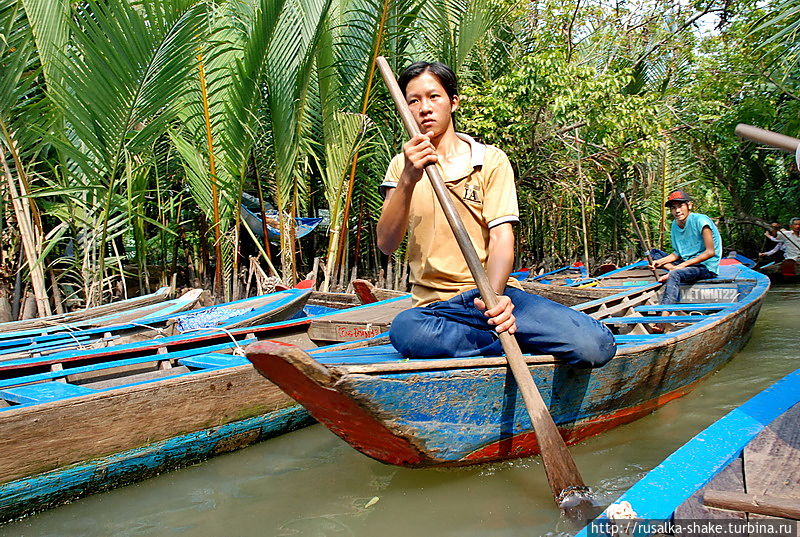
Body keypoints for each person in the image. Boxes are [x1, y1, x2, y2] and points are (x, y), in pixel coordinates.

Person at [377, 61, 615, 368]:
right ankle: (509, 340)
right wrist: (409, 177)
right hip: (439, 308)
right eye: (414, 100)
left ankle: (494, 334)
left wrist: (495, 299)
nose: (424, 108)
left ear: (453, 101)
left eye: (434, 97)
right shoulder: (401, 165)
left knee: (595, 346)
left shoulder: (490, 160)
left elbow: (502, 236)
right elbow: (386, 243)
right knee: (406, 331)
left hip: (493, 294)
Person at [649, 190, 722, 304]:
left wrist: (682, 266)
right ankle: (672, 268)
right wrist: (659, 262)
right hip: (687, 261)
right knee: (653, 253)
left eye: (680, 206)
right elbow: (678, 253)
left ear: (689, 205)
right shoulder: (675, 224)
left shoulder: (701, 221)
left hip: (704, 266)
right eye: (673, 208)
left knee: (675, 274)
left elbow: (710, 252)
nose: (677, 211)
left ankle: (664, 315)